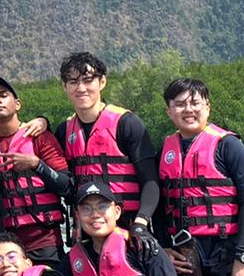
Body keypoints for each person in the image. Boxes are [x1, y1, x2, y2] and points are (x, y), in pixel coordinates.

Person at [156, 78, 244, 276]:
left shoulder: (229, 146)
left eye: (195, 103)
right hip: (182, 254)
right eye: (180, 104)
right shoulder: (164, 152)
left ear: (207, 108)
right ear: (169, 112)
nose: (188, 110)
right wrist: (163, 248)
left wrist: (242, 258)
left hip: (223, 251)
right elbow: (158, 206)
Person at [55, 52, 163, 256]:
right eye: (73, 82)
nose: (81, 88)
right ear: (64, 87)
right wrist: (42, 120)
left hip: (129, 226)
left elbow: (150, 180)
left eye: (88, 81)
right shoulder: (64, 131)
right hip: (88, 228)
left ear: (102, 82)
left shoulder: (127, 124)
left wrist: (141, 222)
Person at [0, 76, 71, 265]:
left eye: (3, 95)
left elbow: (67, 186)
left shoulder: (41, 138)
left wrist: (37, 165)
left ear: (17, 104)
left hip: (43, 240)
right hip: (1, 245)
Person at [65, 179, 180, 276]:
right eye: (86, 209)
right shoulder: (72, 259)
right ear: (77, 216)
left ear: (117, 212)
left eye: (102, 207)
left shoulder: (141, 247)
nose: (95, 214)